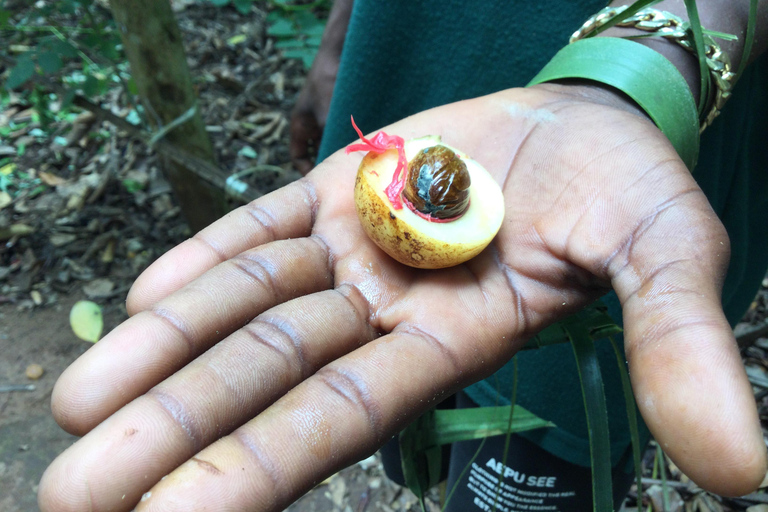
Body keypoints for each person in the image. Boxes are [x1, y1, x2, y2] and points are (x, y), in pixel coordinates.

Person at [38, 1, 768, 511]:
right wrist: (344, 34)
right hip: (411, 70)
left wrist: (643, 69)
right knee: (398, 436)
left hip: (589, 181)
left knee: (527, 456)